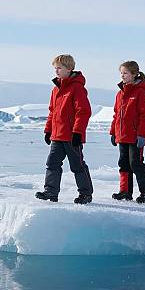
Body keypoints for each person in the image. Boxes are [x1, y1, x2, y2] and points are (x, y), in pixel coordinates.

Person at [35, 54, 93, 204]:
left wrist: (77, 132)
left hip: (72, 136)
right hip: (57, 135)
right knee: (52, 163)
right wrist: (48, 130)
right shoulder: (56, 90)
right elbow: (52, 112)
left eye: (59, 68)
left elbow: (83, 111)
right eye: (55, 68)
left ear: (69, 69)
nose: (56, 71)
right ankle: (50, 192)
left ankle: (85, 194)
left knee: (77, 165)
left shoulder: (77, 88)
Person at [110, 61, 145, 203]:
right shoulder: (120, 93)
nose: (122, 75)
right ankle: (125, 191)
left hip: (135, 136)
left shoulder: (140, 92)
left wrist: (142, 135)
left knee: (136, 163)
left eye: (126, 73)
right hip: (122, 135)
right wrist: (113, 132)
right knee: (123, 163)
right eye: (121, 73)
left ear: (134, 74)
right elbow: (116, 114)